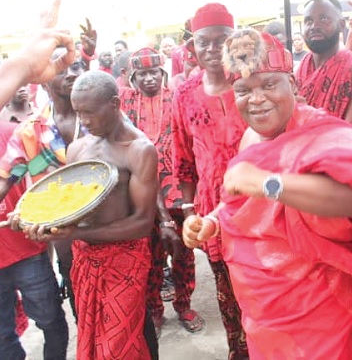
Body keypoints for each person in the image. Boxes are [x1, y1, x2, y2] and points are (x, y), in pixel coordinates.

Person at [183, 28, 352, 360]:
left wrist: (268, 182)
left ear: (292, 85)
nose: (256, 99)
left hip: (320, 310)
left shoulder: (324, 135)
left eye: (269, 84)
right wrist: (210, 222)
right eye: (243, 90)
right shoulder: (251, 139)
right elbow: (240, 206)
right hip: (264, 313)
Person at [20, 70, 159, 359]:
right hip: (84, 261)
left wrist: (77, 233)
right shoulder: (77, 148)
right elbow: (70, 208)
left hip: (125, 263)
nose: (83, 121)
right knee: (93, 339)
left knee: (119, 347)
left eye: (90, 113)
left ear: (115, 103)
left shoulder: (138, 150)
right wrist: (40, 221)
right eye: (78, 112)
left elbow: (142, 223)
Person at [171, 2, 249, 360]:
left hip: (258, 204)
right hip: (213, 211)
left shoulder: (252, 84)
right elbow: (183, 159)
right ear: (193, 46)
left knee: (263, 288)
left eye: (223, 40)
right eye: (205, 41)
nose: (213, 48)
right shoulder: (184, 93)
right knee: (227, 290)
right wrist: (189, 211)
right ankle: (240, 351)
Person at [120, 47, 203, 336]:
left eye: (154, 72)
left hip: (179, 192)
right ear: (133, 77)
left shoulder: (176, 99)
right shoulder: (126, 106)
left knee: (184, 255)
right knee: (150, 259)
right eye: (141, 74)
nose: (149, 79)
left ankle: (184, 304)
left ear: (163, 73)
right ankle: (154, 310)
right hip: (143, 196)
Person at [0, 120, 69, 360]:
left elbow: (42, 180)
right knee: (2, 336)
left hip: (26, 250)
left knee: (51, 320)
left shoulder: (13, 134)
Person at [296, 0, 352, 128]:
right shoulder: (297, 72)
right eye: (308, 21)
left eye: (324, 19)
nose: (314, 26)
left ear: (341, 25)